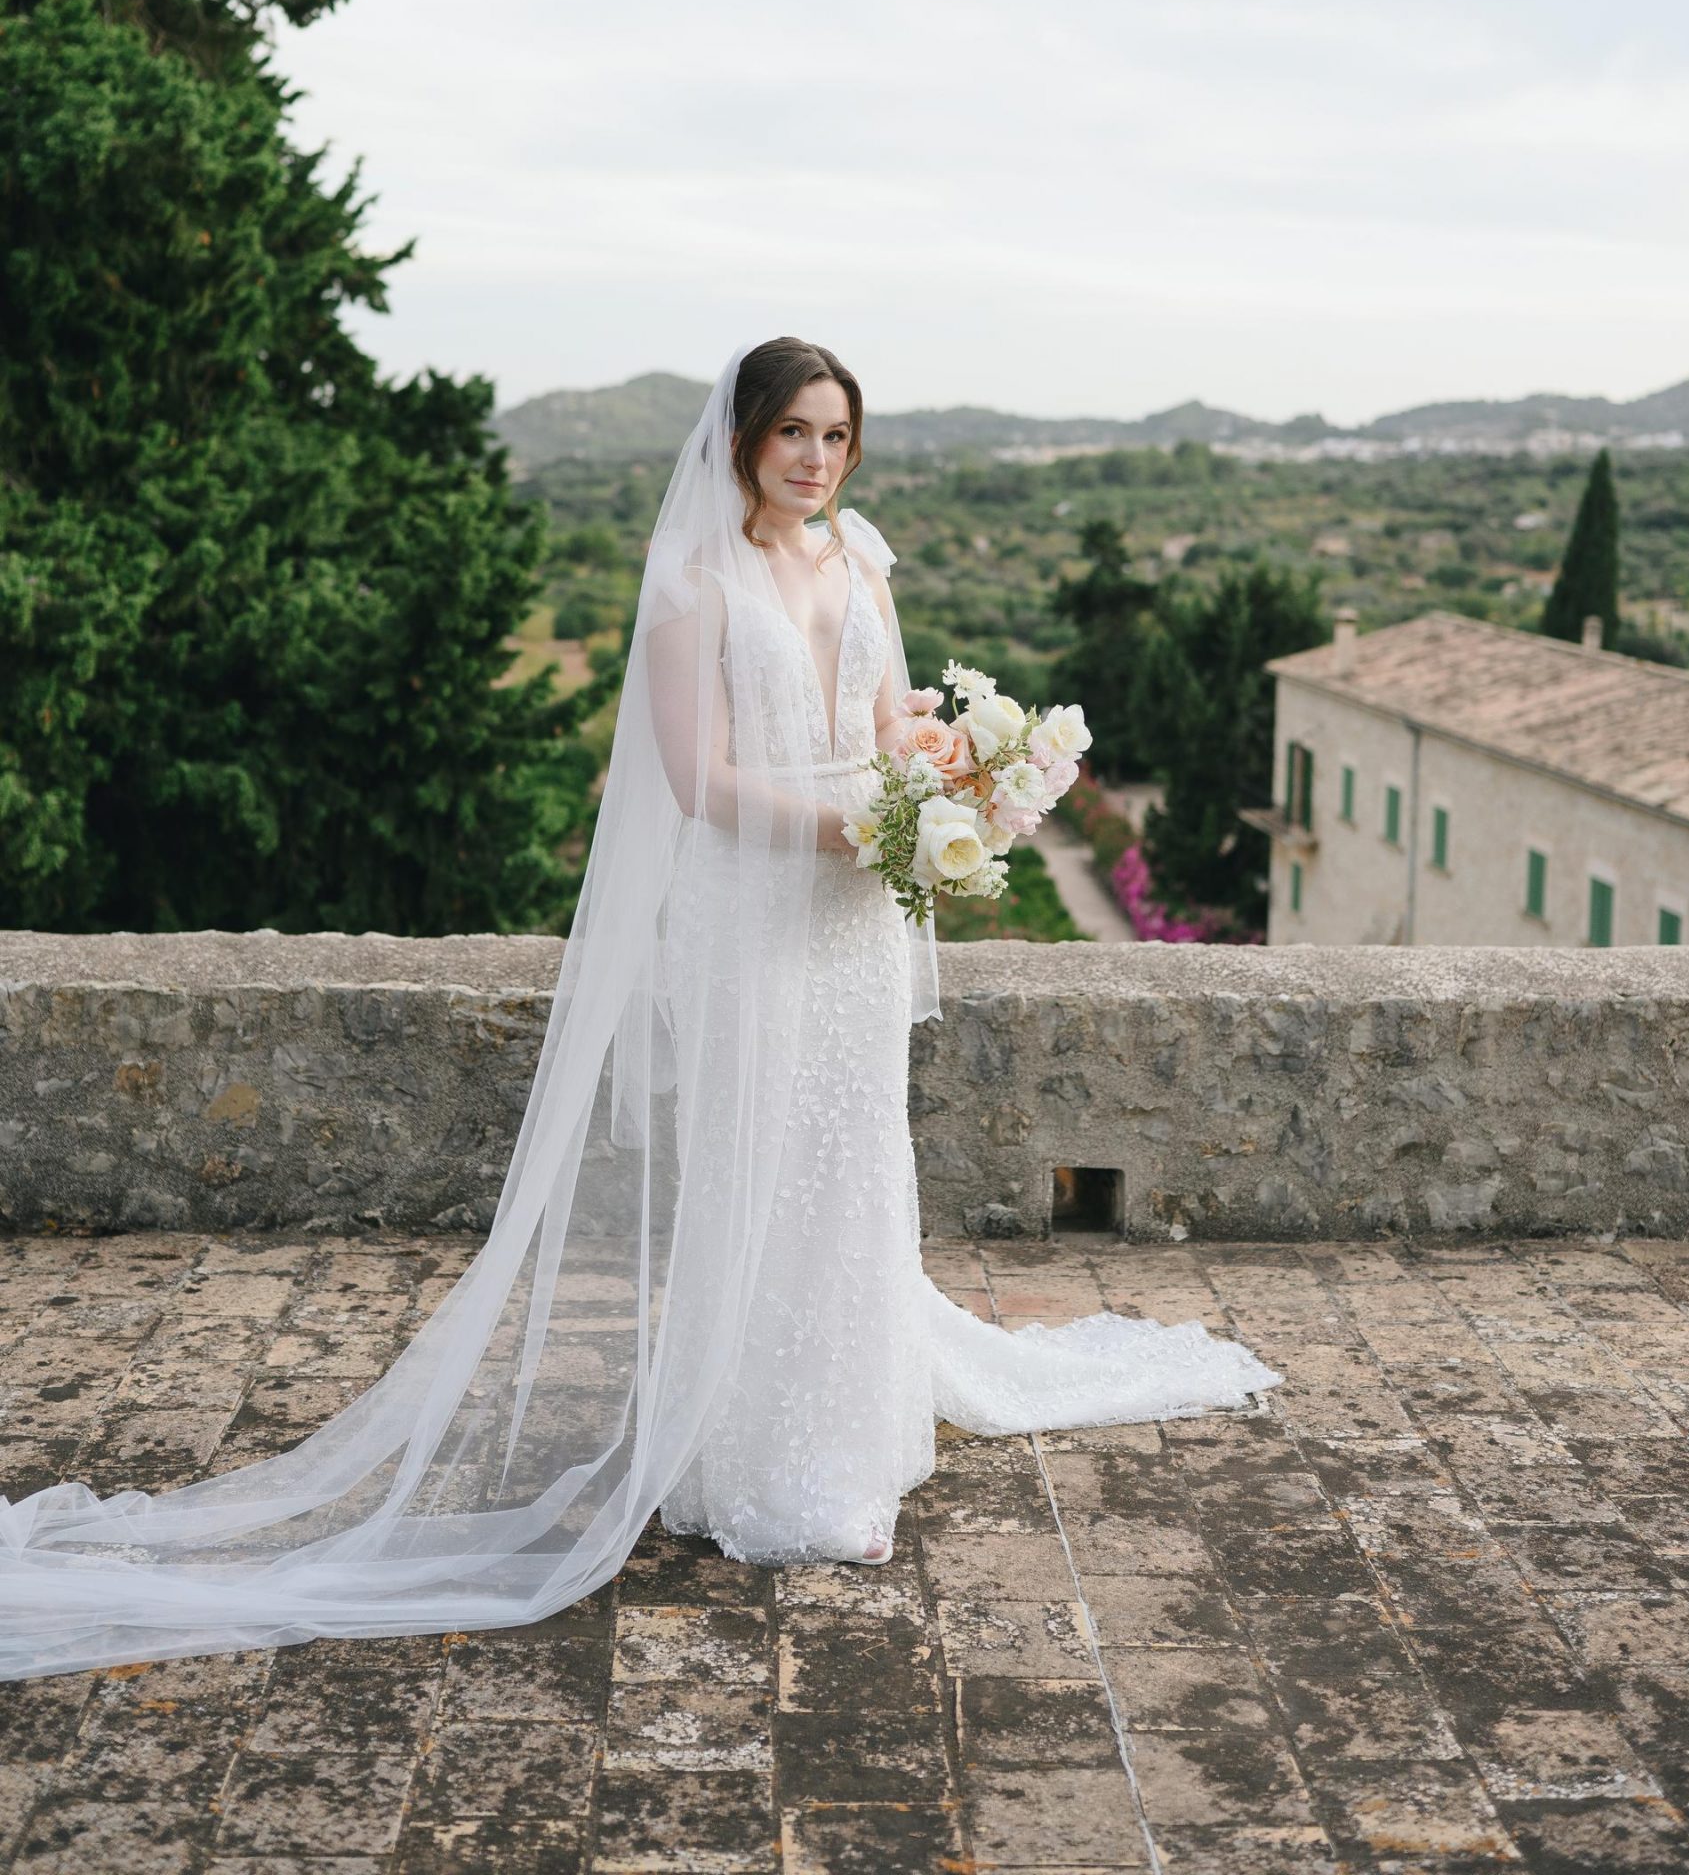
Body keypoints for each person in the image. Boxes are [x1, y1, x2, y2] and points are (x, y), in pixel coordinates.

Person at [0, 337, 1277, 1679]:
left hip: (854, 912)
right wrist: (857, 826)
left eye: (837, 436)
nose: (815, 459)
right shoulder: (693, 580)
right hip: (754, 903)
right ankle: (761, 1460)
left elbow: (891, 714)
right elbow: (698, 778)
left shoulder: (864, 558)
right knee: (760, 1164)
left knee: (850, 1158)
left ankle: (860, 1429)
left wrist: (963, 769)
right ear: (743, 438)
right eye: (793, 432)